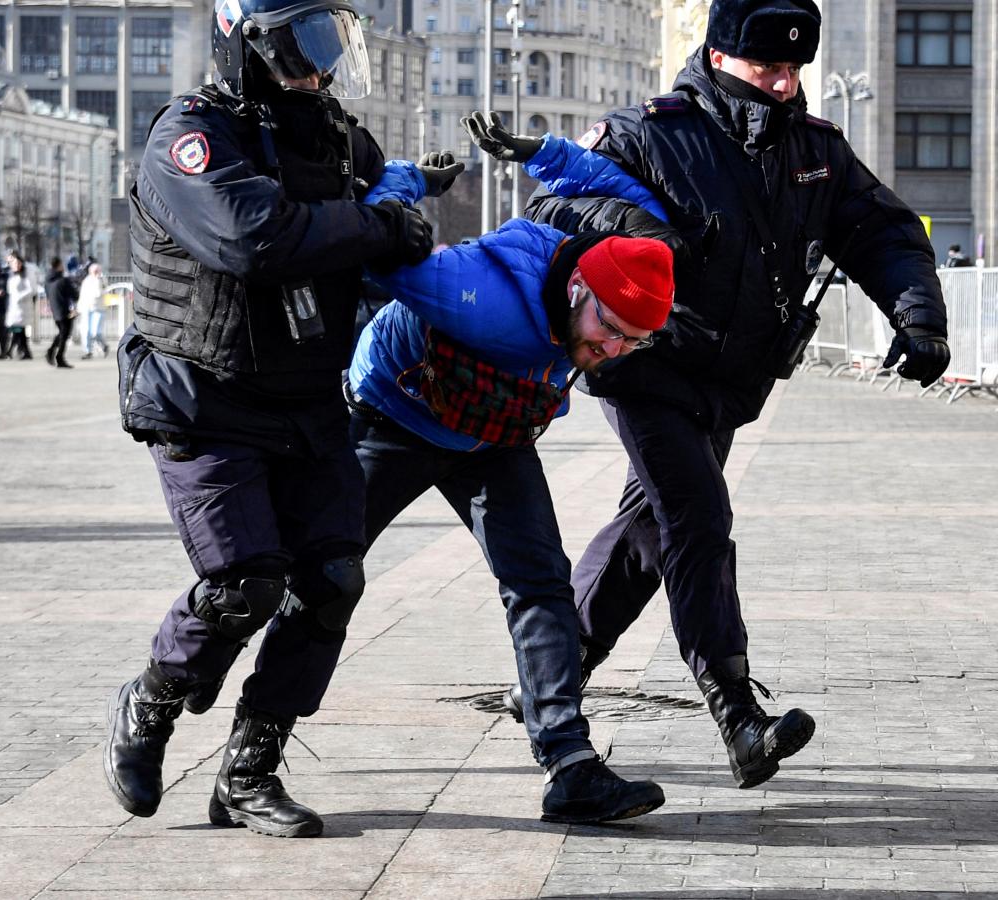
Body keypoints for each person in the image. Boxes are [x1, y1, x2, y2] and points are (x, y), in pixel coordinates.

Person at [513, 0, 948, 790]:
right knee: (698, 515)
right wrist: (634, 228)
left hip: (731, 382)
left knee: (651, 532)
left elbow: (882, 230)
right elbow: (551, 203)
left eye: (793, 70)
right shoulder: (651, 134)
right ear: (718, 55)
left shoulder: (814, 151)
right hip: (644, 365)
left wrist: (918, 317)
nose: (783, 85)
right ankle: (739, 717)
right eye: (766, 68)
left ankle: (551, 675)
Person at [103, 0, 445, 838]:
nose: (318, 68)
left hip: (306, 396)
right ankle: (151, 698)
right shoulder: (191, 133)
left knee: (331, 580)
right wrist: (377, 224)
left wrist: (408, 224)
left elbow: (391, 224)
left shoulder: (334, 135)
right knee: (243, 584)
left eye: (330, 45)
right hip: (200, 392)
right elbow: (252, 236)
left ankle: (250, 770)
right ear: (244, 45)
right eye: (301, 46)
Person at [317, 128, 686, 823]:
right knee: (322, 575)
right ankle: (247, 744)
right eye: (607, 330)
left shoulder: (631, 277)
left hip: (495, 431)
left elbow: (629, 197)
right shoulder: (473, 289)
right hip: (395, 410)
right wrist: (408, 180)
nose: (610, 352)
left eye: (630, 344)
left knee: (541, 582)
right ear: (580, 287)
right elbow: (384, 244)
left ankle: (570, 766)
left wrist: (545, 150)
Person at [44, 256, 78, 369]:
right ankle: (58, 356)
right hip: (64, 310)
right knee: (64, 334)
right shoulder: (63, 280)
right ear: (58, 266)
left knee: (62, 333)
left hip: (55, 310)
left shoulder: (48, 280)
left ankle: (52, 353)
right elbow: (74, 295)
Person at [4, 251, 36, 361]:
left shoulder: (25, 275)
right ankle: (25, 352)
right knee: (18, 331)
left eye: (18, 263)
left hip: (22, 307)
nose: (16, 266)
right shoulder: (11, 275)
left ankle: (10, 351)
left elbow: (31, 289)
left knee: (18, 330)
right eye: (13, 263)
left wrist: (19, 297)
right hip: (13, 307)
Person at [78, 263, 110, 359]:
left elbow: (100, 292)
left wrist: (98, 280)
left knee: (96, 332)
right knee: (86, 331)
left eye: (97, 270)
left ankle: (104, 345)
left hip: (99, 309)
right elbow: (82, 295)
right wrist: (79, 307)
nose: (96, 272)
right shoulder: (86, 281)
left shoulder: (101, 280)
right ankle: (88, 351)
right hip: (87, 308)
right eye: (94, 271)